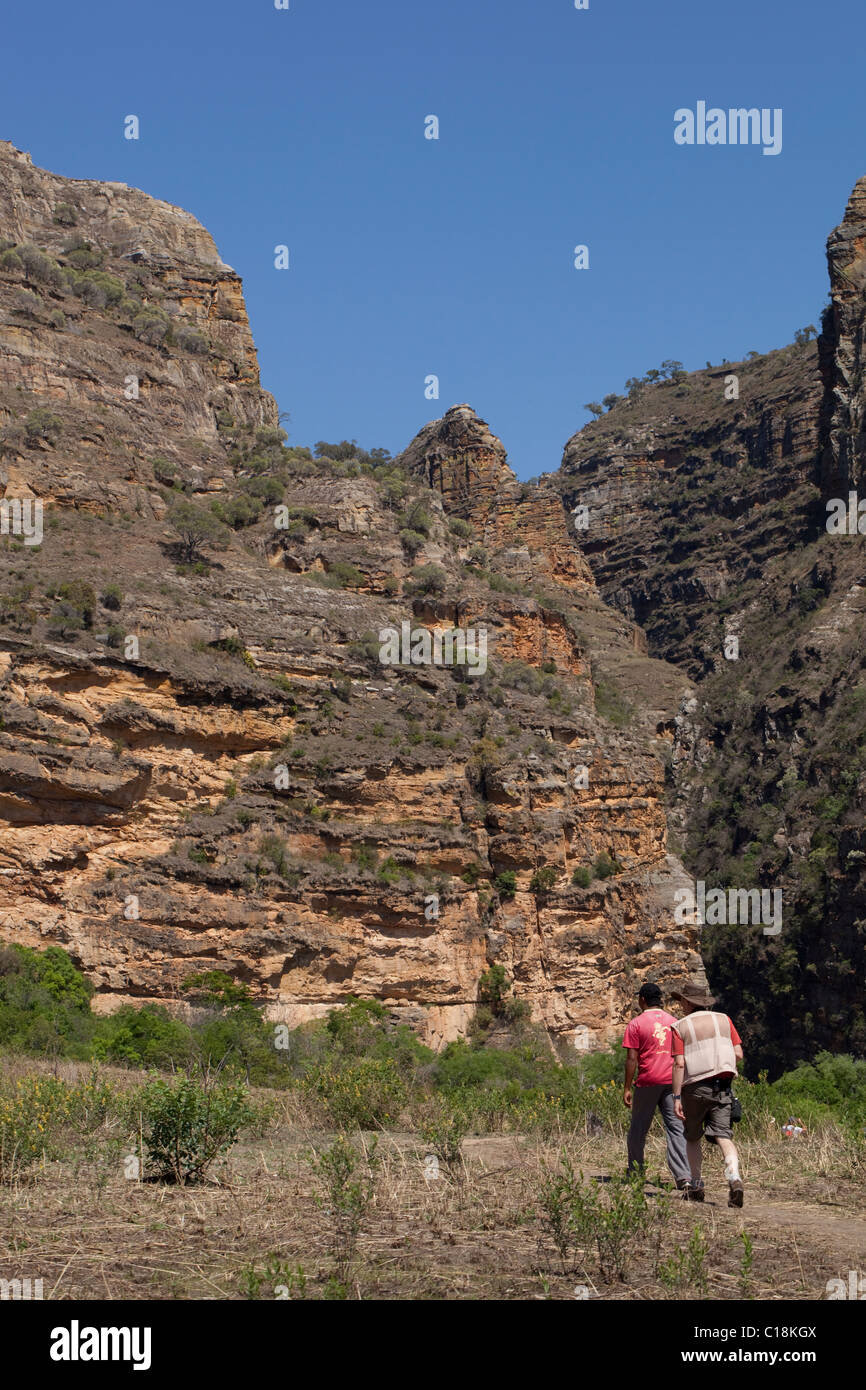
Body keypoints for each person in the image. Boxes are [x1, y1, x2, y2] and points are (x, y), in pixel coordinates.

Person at [670, 984, 745, 1207]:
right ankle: (734, 1178)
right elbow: (738, 1053)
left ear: (690, 1003)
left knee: (692, 1137)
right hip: (722, 1085)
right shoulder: (724, 1020)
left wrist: (676, 1097)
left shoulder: (679, 1026)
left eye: (683, 1000)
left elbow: (679, 1063)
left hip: (694, 1087)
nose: (681, 1004)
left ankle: (696, 1185)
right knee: (723, 1136)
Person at [622, 981, 691, 1189]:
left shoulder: (635, 1024)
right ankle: (684, 1177)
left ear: (642, 1000)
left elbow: (632, 1059)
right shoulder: (674, 1022)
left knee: (638, 1129)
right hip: (672, 1082)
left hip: (648, 1081)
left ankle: (635, 1172)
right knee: (676, 1129)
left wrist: (627, 1087)